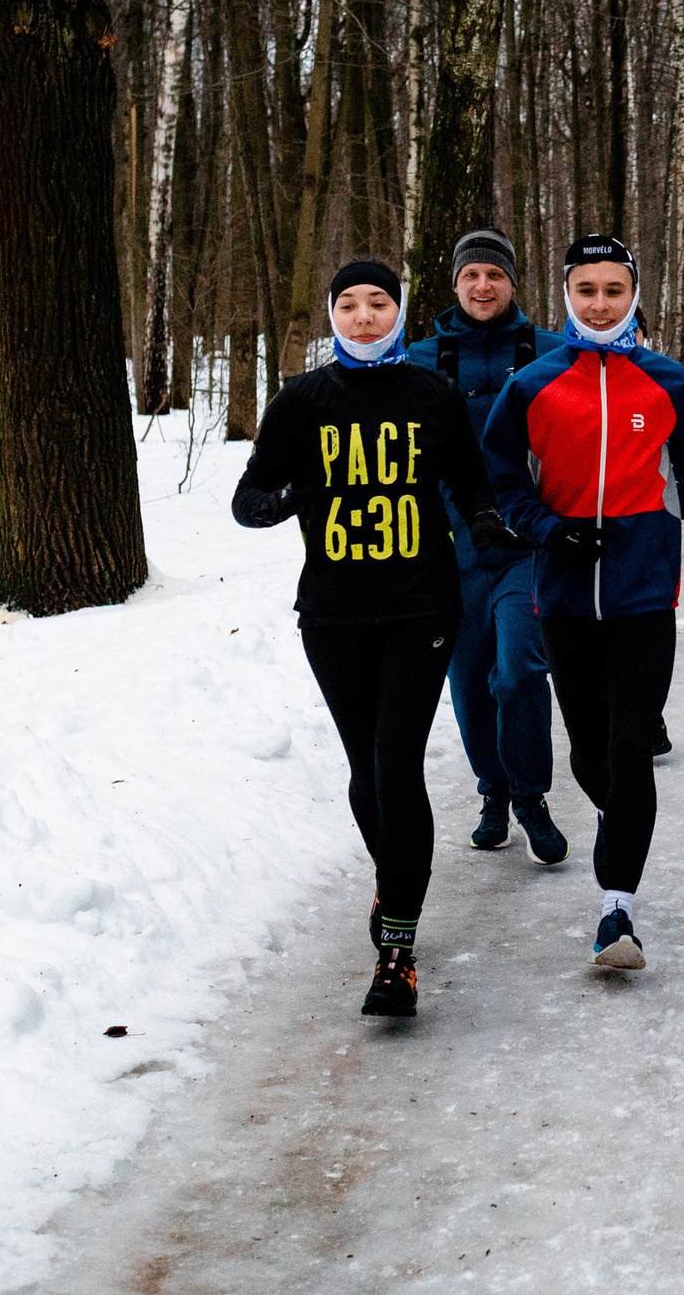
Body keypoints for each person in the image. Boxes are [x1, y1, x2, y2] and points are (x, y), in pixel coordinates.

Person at [233, 259, 529, 1020]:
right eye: (350, 304)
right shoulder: (302, 398)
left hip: (420, 608)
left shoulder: (430, 393)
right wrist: (285, 499)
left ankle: (396, 950)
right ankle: (393, 875)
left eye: (379, 302)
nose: (365, 316)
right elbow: (247, 498)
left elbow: (471, 482)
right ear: (333, 314)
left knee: (397, 764)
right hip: (333, 613)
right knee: (367, 771)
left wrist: (489, 522)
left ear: (399, 312)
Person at [483, 235, 684, 971]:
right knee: (589, 751)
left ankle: (616, 908)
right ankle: (615, 817)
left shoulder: (666, 379)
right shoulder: (531, 383)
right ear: (566, 296)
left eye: (613, 289)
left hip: (643, 587)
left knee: (630, 745)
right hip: (561, 589)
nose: (599, 303)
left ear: (633, 294)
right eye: (585, 289)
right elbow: (501, 478)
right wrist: (546, 529)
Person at [402, 229, 567, 867]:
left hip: (527, 543)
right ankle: (493, 791)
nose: (482, 286)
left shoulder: (550, 352)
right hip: (448, 550)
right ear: (454, 283)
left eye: (494, 275)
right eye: (471, 275)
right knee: (469, 682)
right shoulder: (419, 358)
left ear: (512, 282)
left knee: (520, 669)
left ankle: (530, 796)